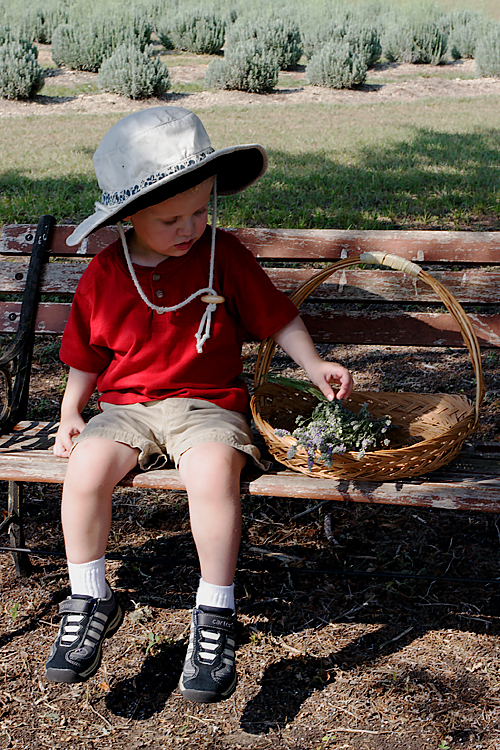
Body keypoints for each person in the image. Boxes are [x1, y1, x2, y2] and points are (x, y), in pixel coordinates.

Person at [44, 106, 353, 702]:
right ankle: (90, 595)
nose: (189, 228)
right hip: (127, 407)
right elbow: (86, 355)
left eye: (200, 210)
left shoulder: (223, 256)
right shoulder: (105, 274)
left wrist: (314, 365)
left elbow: (276, 317)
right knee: (84, 471)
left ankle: (214, 611)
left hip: (207, 407)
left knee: (213, 476)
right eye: (170, 219)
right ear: (128, 217)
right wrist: (70, 414)